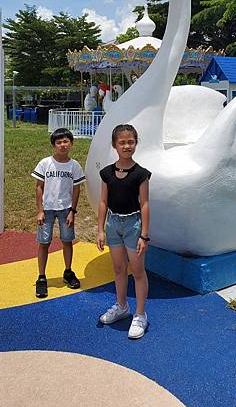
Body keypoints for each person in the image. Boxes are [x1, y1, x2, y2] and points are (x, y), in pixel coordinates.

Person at [96, 124, 151, 339]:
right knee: (118, 269)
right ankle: (121, 306)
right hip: (112, 224)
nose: (127, 146)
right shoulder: (107, 173)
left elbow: (145, 204)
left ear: (136, 143)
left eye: (131, 141)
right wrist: (100, 229)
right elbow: (102, 202)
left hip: (133, 225)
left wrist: (144, 234)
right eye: (122, 142)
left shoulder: (141, 174)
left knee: (137, 271)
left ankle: (140, 314)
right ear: (114, 145)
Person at [32, 128, 85, 298]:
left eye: (66, 141)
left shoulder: (74, 165)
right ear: (54, 145)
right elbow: (39, 187)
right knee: (44, 242)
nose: (62, 145)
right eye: (59, 142)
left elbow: (76, 189)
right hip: (47, 209)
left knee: (67, 241)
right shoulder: (45, 163)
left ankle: (68, 272)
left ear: (71, 143)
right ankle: (41, 277)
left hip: (65, 209)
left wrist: (72, 211)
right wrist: (40, 210)